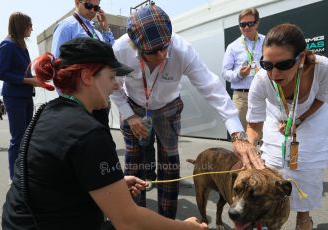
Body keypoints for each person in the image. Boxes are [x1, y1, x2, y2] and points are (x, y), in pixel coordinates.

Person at [1, 37, 208, 230]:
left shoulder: (49, 111)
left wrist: (110, 185)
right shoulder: (88, 132)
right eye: (111, 76)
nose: (117, 85)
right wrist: (186, 227)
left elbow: (58, 181)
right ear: (86, 77)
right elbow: (129, 222)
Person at [111, 3, 264, 219]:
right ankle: (136, 218)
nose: (163, 55)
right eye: (154, 51)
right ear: (136, 47)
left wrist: (238, 135)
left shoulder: (182, 50)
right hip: (133, 106)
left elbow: (212, 88)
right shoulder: (120, 50)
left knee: (169, 166)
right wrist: (129, 114)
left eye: (166, 46)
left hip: (169, 107)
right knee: (134, 165)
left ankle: (167, 221)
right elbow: (113, 86)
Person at [246, 23, 328, 230]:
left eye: (283, 65)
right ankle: (270, 216)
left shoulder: (322, 68)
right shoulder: (261, 79)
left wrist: (299, 120)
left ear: (300, 58)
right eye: (267, 65)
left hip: (312, 120)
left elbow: (322, 98)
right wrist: (249, 148)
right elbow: (254, 122)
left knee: (306, 169)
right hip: (277, 120)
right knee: (273, 168)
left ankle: (303, 218)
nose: (274, 74)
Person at [0, 12, 54, 181]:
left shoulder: (20, 44)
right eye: (30, 25)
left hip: (25, 95)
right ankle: (14, 178)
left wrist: (39, 78)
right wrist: (29, 81)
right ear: (21, 25)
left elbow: (24, 70)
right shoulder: (7, 45)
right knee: (18, 138)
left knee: (27, 136)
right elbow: (1, 73)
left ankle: (24, 172)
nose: (32, 28)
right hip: (14, 97)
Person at [51, 0, 115, 127]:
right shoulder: (66, 26)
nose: (92, 11)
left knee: (101, 141)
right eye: (89, 6)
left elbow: (110, 54)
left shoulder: (96, 32)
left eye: (96, 8)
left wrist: (106, 29)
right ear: (77, 2)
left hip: (99, 99)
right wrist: (68, 100)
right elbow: (56, 65)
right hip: (79, 101)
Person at [222, 8, 265, 130]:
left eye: (250, 23)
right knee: (241, 136)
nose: (246, 27)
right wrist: (239, 75)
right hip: (242, 98)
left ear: (257, 23)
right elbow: (225, 73)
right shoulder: (233, 47)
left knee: (264, 136)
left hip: (264, 95)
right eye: (242, 24)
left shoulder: (267, 41)